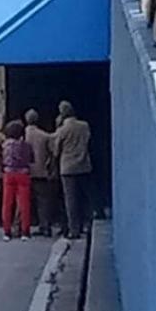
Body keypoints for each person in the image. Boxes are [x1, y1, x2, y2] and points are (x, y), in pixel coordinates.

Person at [54, 101, 92, 239]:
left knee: (71, 200)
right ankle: (87, 224)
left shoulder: (62, 130)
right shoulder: (84, 126)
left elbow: (56, 150)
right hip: (84, 165)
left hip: (68, 168)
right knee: (85, 197)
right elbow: (88, 140)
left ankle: (74, 229)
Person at [24, 109, 57, 237]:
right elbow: (53, 154)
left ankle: (22, 228)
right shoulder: (45, 136)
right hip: (41, 172)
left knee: (23, 201)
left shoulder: (22, 134)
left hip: (25, 172)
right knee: (43, 201)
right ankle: (45, 226)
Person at [1, 120, 34, 241]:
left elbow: (2, 159)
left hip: (9, 173)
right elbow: (31, 159)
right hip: (23, 174)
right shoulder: (26, 145)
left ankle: (7, 231)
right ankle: (25, 231)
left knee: (7, 203)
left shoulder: (4, 145)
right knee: (24, 204)